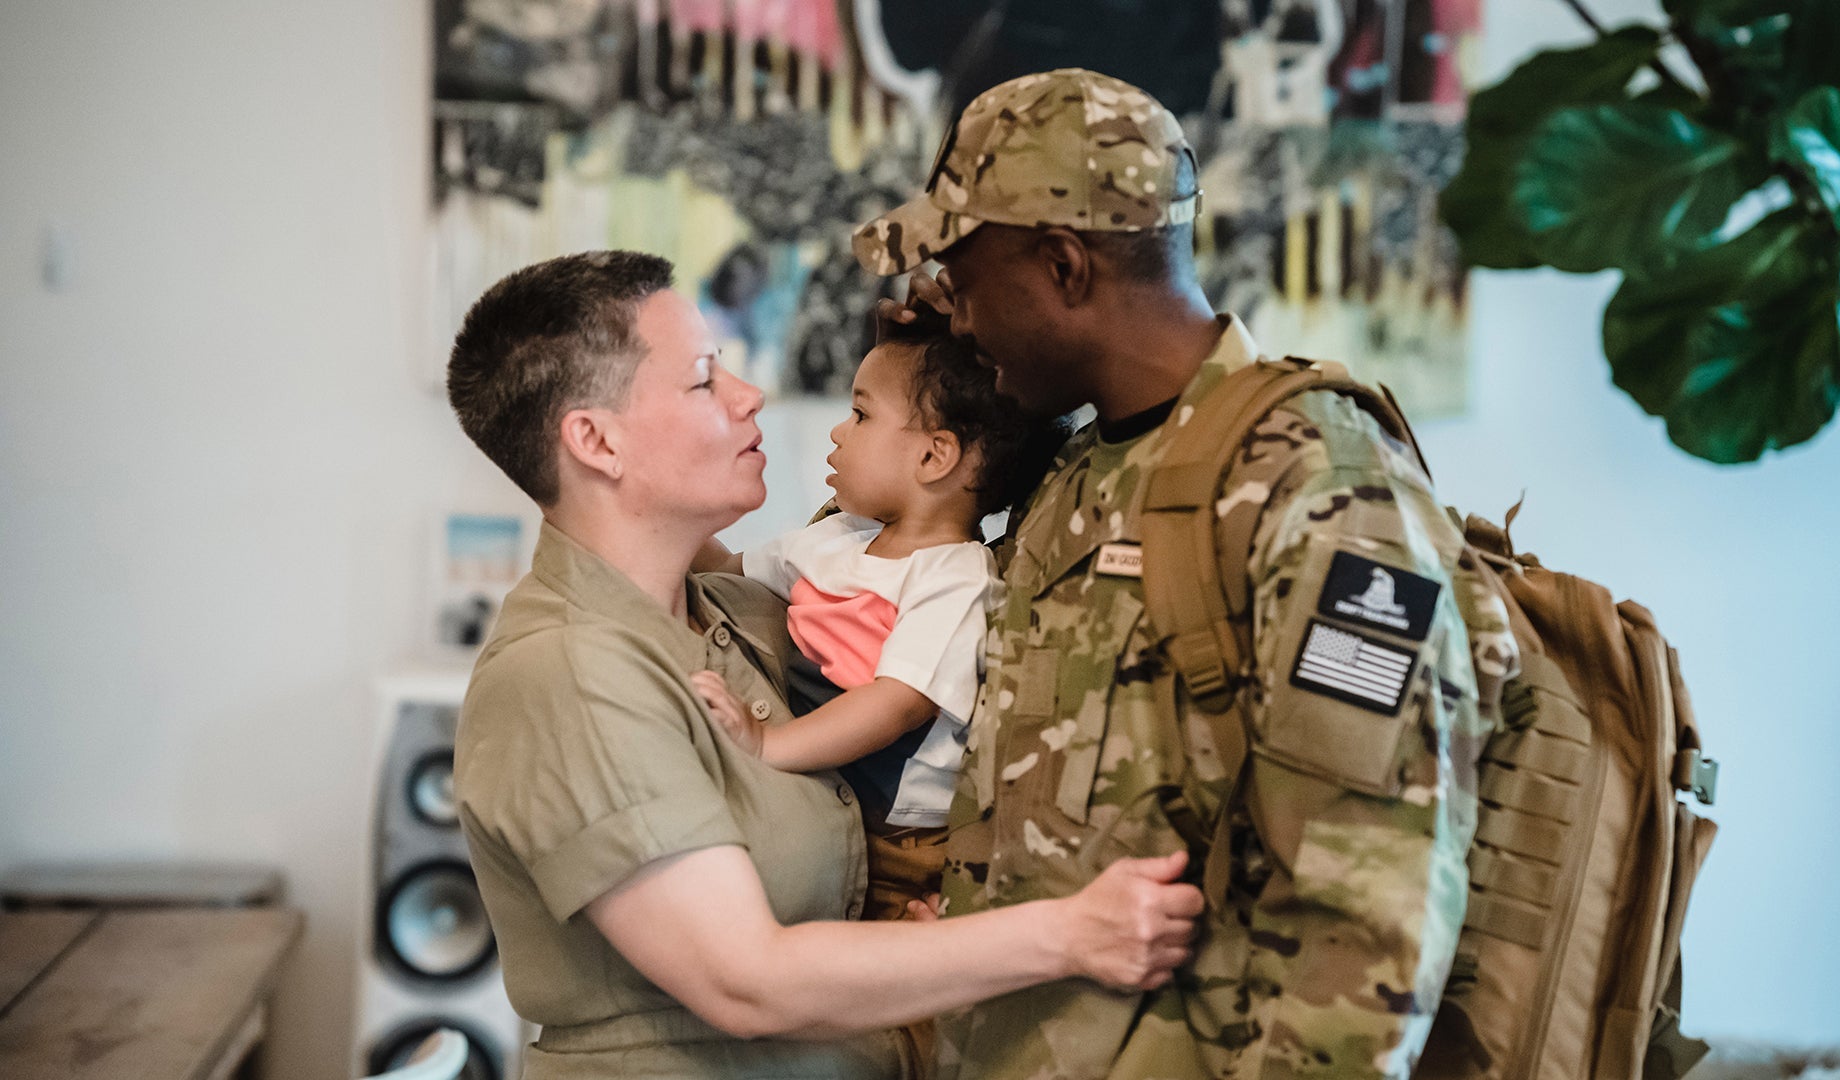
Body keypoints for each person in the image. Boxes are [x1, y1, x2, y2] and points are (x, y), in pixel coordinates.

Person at [850, 69, 1519, 1079]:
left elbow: (1364, 925)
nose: (959, 310)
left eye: (966, 275)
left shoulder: (1319, 492)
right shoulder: (1080, 475)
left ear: (1065, 267)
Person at [444, 249, 1202, 1080]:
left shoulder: (732, 613)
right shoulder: (571, 675)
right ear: (595, 440)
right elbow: (745, 982)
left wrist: (952, 362)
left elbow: (887, 557)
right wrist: (1070, 934)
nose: (750, 395)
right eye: (704, 380)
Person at [691, 302, 1068, 926]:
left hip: (899, 847)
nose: (839, 432)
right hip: (821, 801)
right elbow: (724, 571)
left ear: (935, 457)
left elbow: (895, 704)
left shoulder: (955, 579)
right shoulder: (835, 539)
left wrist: (768, 745)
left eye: (862, 414)